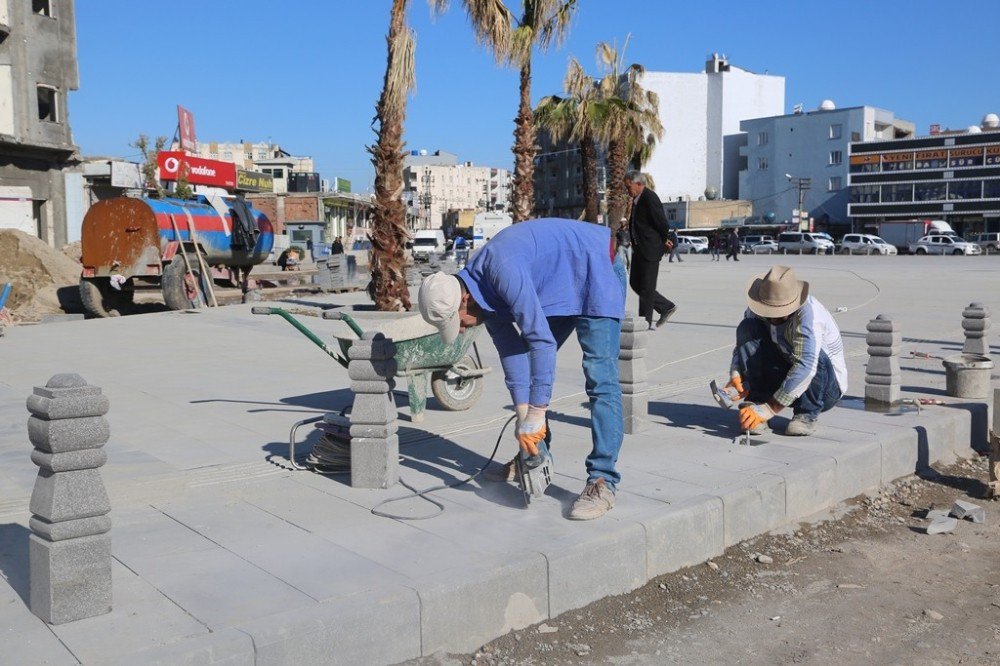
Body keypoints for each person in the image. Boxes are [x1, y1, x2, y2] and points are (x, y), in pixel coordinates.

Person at [417, 218, 625, 520]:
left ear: (464, 299)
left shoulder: (501, 271)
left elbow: (542, 342)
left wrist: (537, 411)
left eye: (457, 322)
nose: (461, 331)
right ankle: (536, 457)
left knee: (600, 378)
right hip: (563, 279)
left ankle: (603, 481)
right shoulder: (480, 293)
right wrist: (523, 416)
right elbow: (514, 353)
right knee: (532, 372)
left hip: (597, 266)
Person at [727, 265, 847, 437]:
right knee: (747, 328)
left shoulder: (809, 316)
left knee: (815, 355)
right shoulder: (758, 306)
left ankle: (806, 414)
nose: (773, 317)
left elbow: (806, 366)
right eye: (769, 311)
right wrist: (737, 373)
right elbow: (744, 344)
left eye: (779, 313)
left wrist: (771, 408)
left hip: (824, 388)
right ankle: (757, 404)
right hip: (787, 372)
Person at [624, 171, 676, 331]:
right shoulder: (637, 200)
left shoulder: (649, 197)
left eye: (629, 187)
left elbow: (661, 222)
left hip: (650, 249)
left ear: (639, 184)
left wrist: (667, 239)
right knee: (635, 283)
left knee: (646, 287)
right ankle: (666, 306)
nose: (627, 190)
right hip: (639, 250)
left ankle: (644, 323)